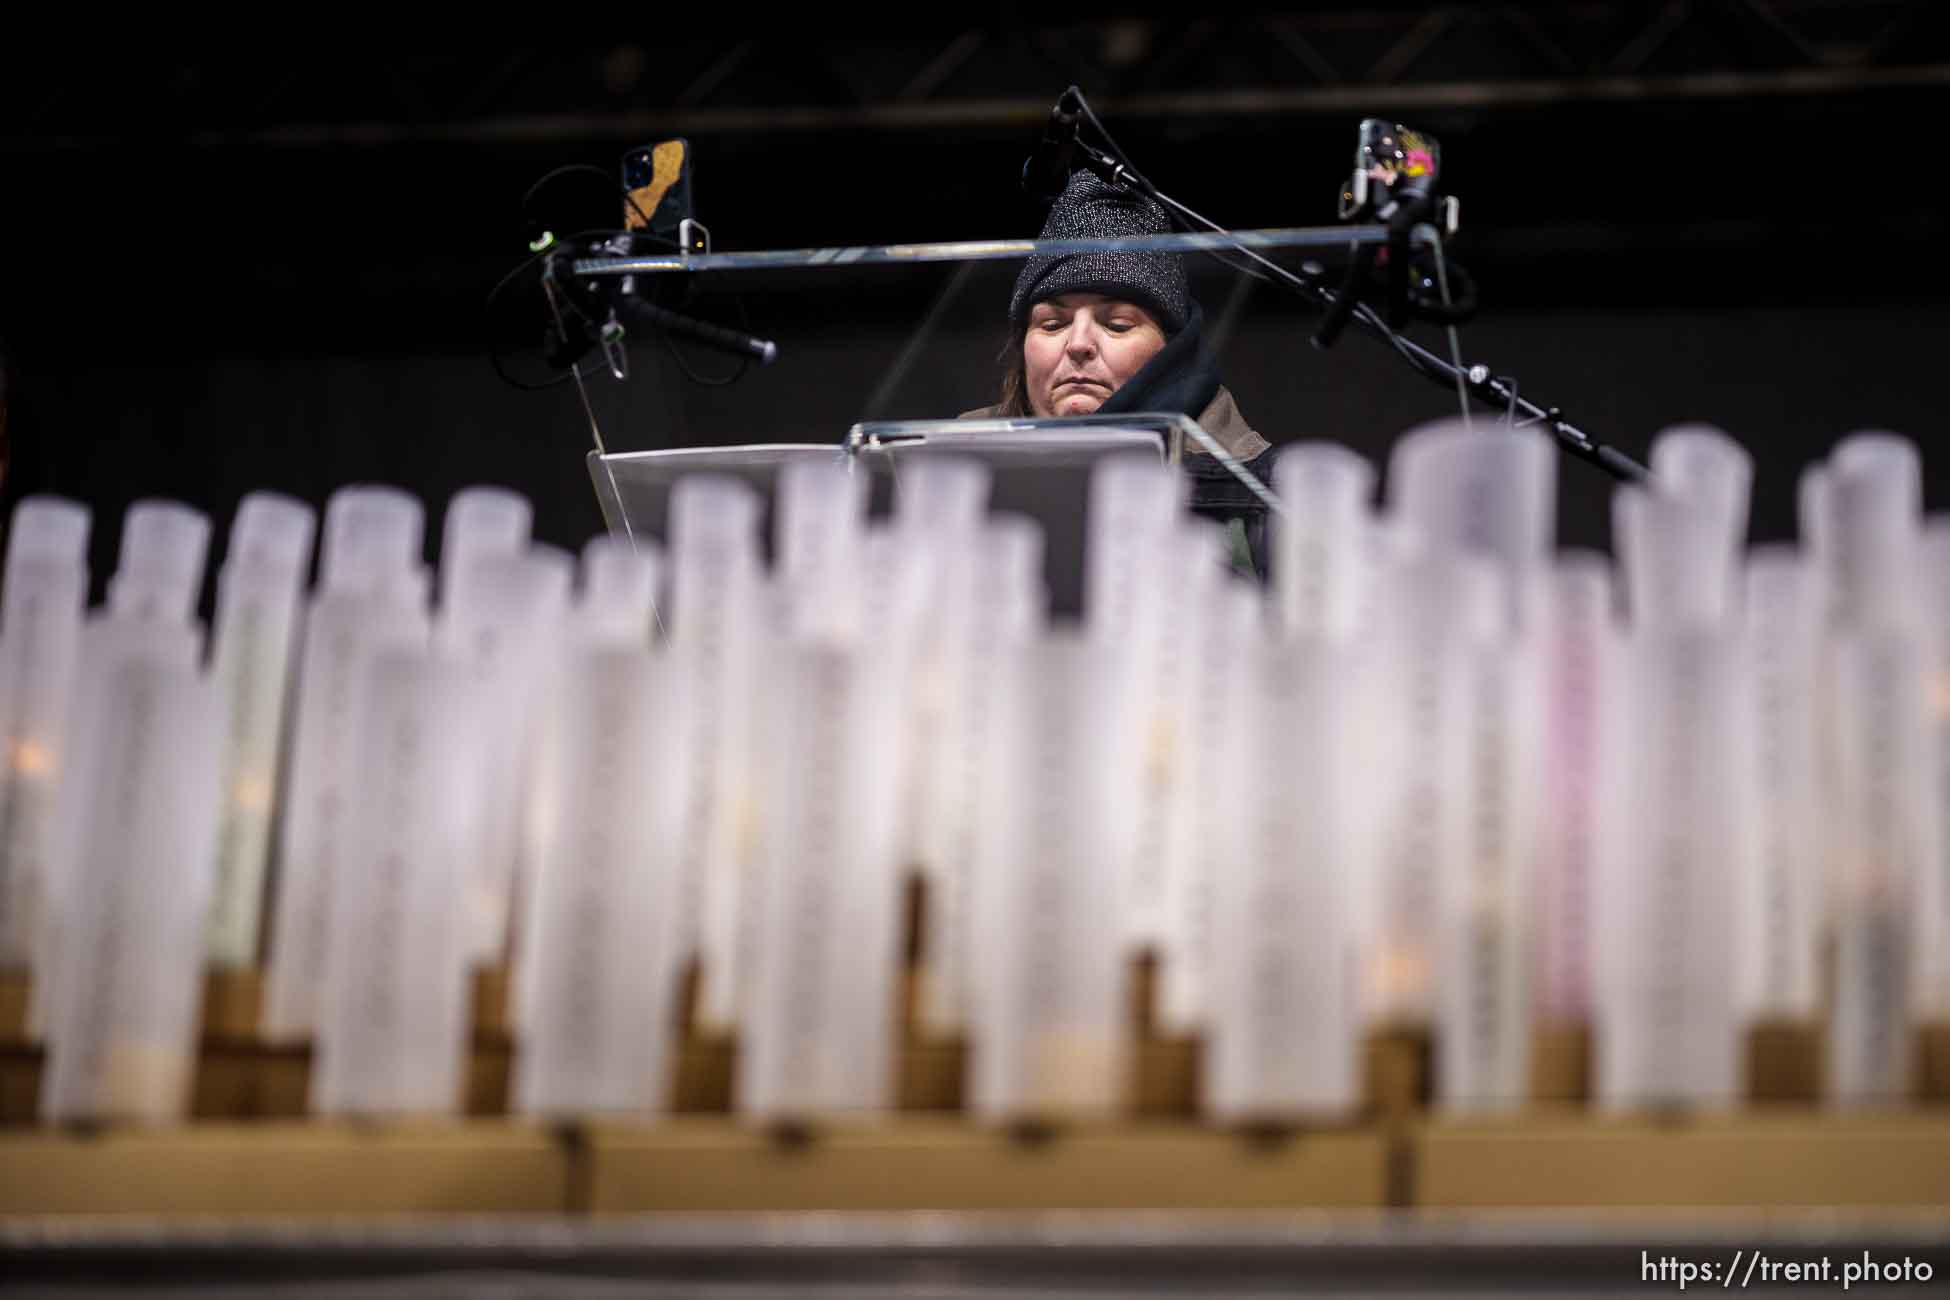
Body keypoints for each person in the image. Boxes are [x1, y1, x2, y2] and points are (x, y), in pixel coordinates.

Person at [961, 170, 1276, 576]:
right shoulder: (938, 472)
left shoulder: (1258, 492)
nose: (1077, 344)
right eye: (1053, 324)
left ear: (1171, 354)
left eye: (1117, 324)